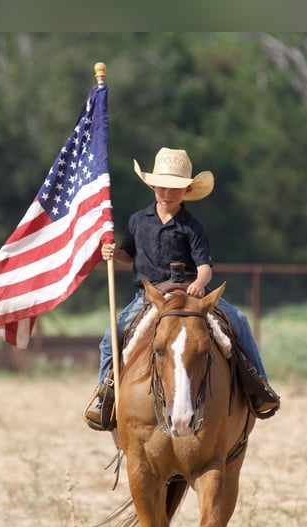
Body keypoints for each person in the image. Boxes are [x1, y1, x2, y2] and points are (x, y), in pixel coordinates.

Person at [84, 147, 273, 431]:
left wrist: (199, 282)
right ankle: (104, 395)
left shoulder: (192, 227)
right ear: (152, 186)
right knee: (114, 332)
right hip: (150, 295)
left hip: (188, 292)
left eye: (174, 188)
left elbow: (205, 266)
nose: (167, 193)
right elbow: (129, 255)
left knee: (239, 321)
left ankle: (258, 385)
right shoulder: (138, 220)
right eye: (162, 186)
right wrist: (112, 253)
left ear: (186, 190)